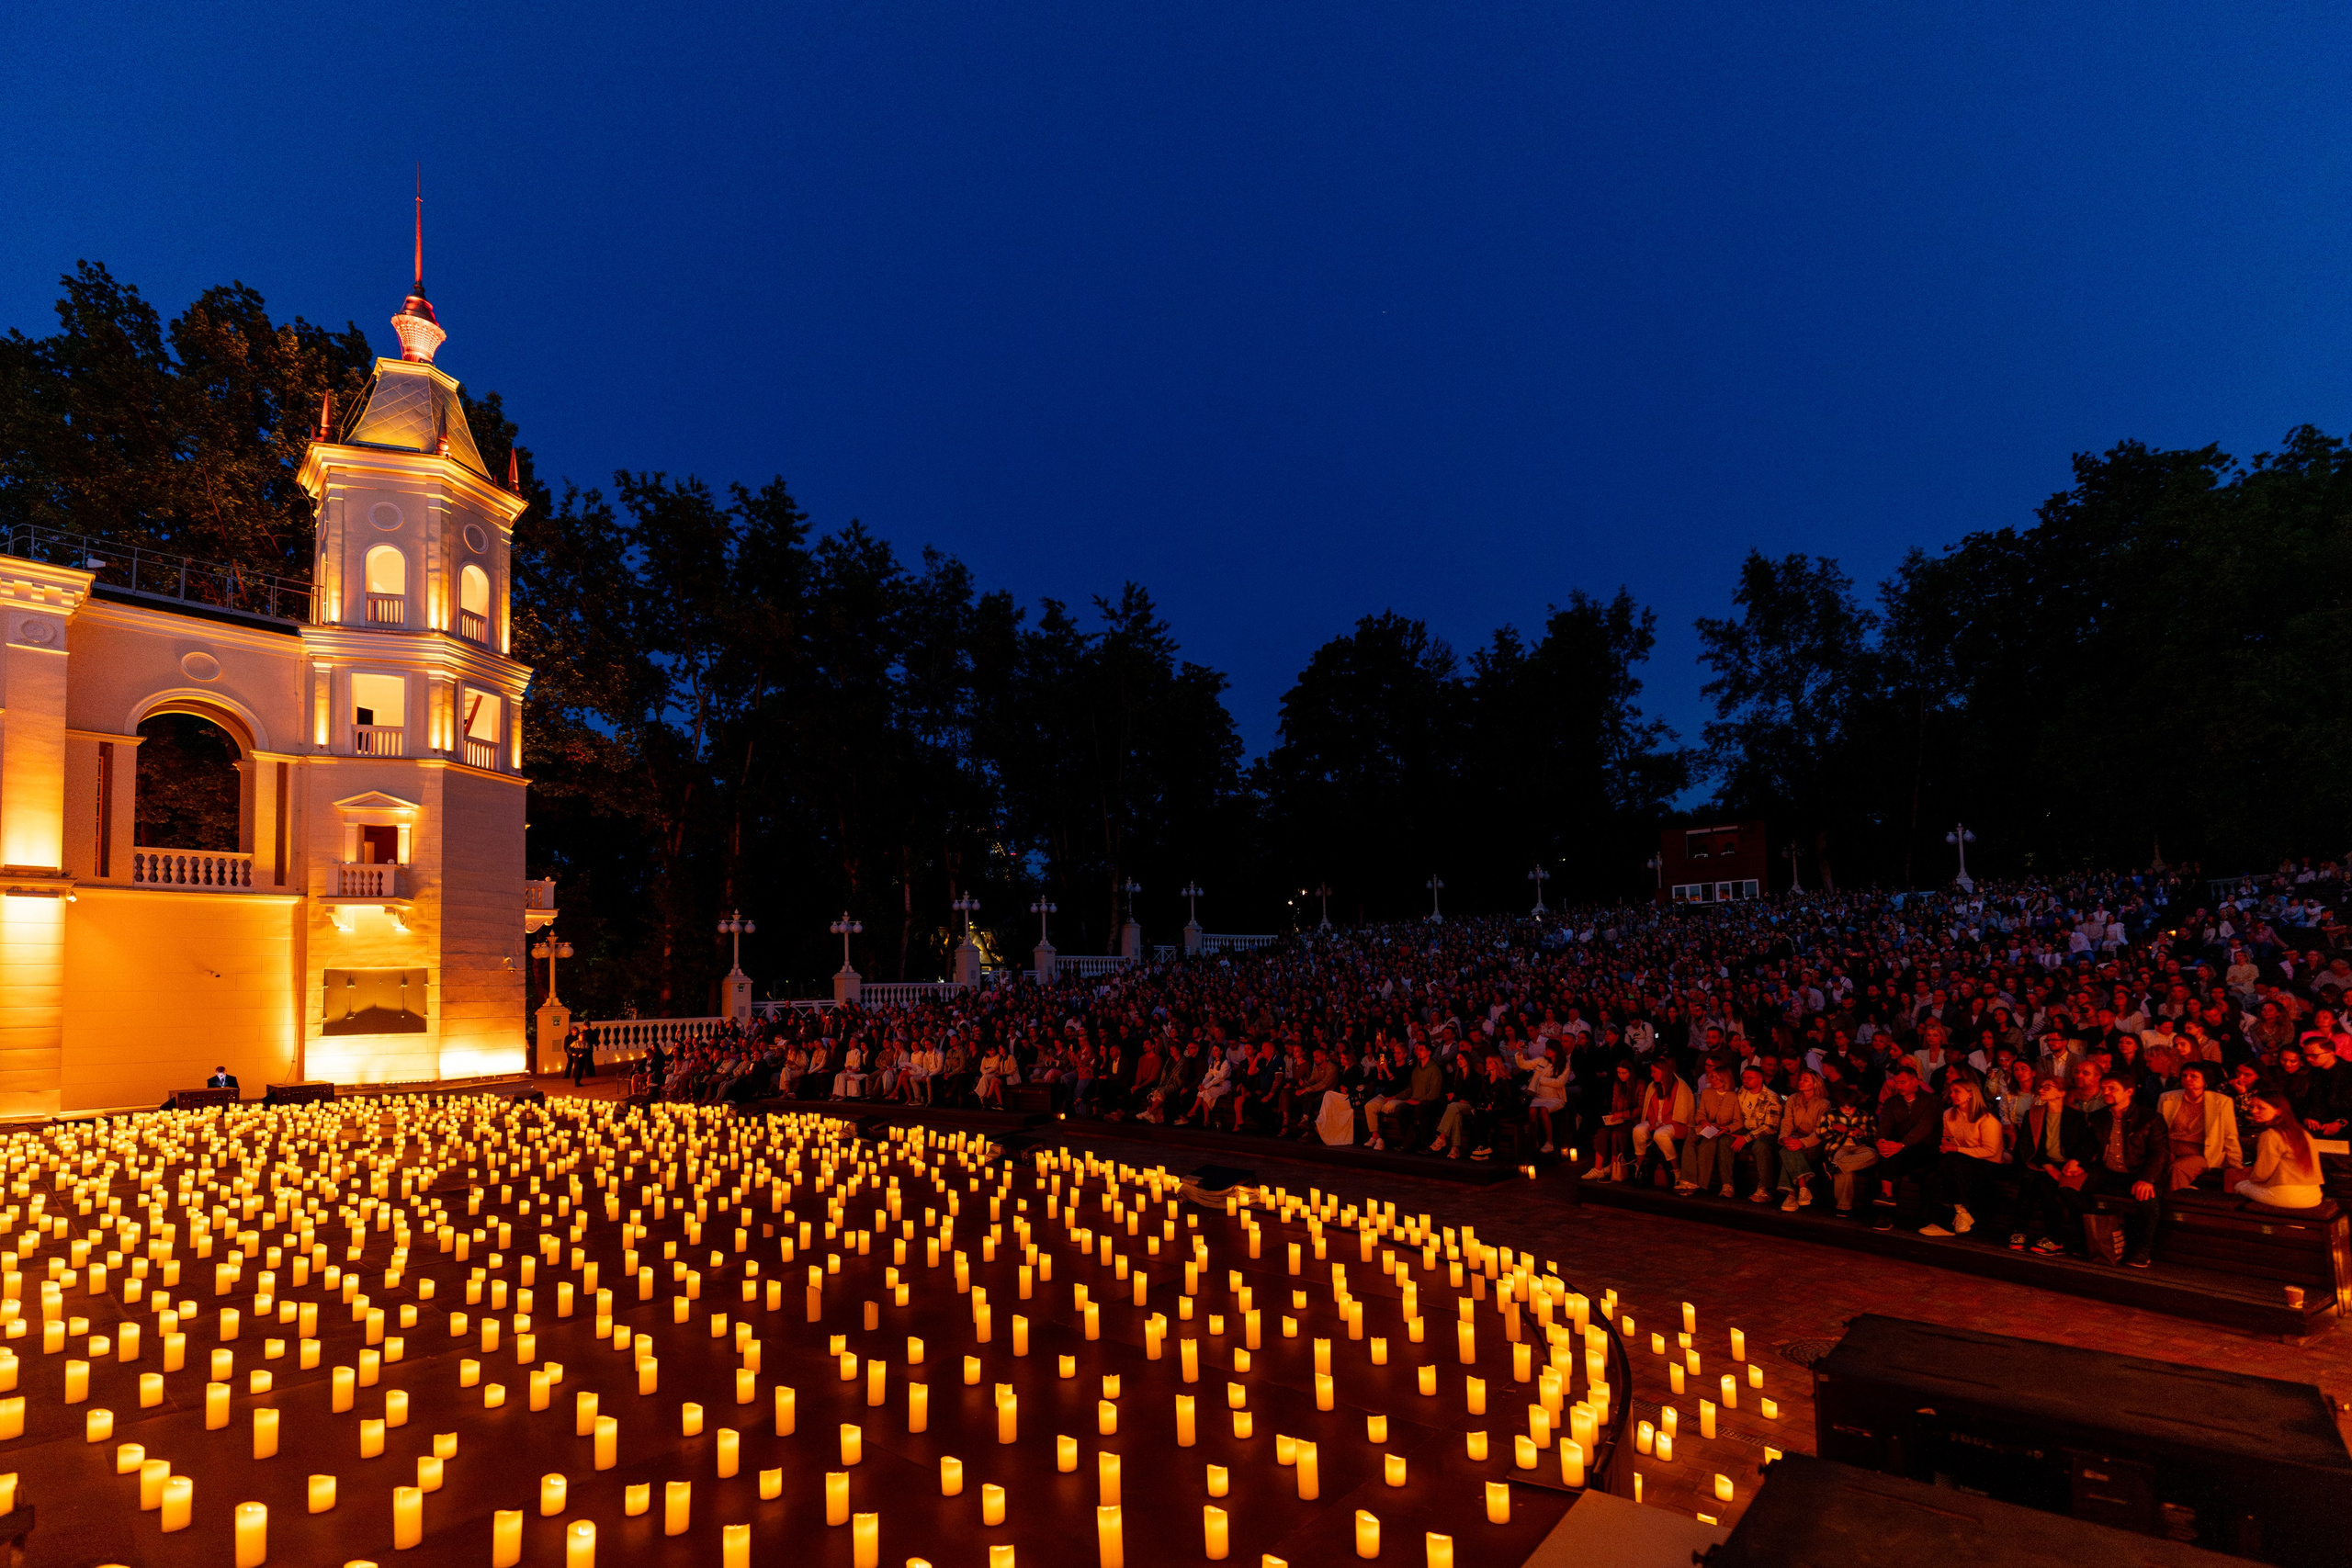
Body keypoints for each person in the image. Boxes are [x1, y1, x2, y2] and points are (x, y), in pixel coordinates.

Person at [2066, 1072, 2167, 1268]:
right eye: (2103, 1088)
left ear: (2128, 1092)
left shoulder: (2150, 1118)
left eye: (2112, 1088)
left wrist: (2147, 1179)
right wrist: (2076, 1161)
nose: (2106, 1092)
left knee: (2148, 1199)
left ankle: (2142, 1249)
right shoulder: (2099, 1117)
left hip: (2139, 1172)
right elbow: (2089, 1145)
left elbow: (2159, 1152)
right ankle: (2095, 1236)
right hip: (2108, 1171)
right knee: (2068, 1188)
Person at [2010, 1074, 2091, 1255]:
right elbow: (2027, 1145)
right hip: (2039, 1163)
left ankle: (2053, 1238)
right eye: (2041, 1087)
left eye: (2047, 1087)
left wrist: (2074, 1162)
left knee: (2047, 1188)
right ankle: (2019, 1231)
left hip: (2066, 1165)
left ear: (2061, 1093)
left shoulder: (2076, 1116)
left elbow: (2085, 1144)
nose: (2041, 1090)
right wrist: (2048, 1166)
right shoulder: (2033, 1114)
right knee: (2029, 1183)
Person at [1919, 1078, 2005, 1237]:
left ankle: (1945, 1222)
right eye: (1951, 1091)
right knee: (1944, 1168)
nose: (1952, 1095)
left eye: (1957, 1091)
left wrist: (1957, 1149)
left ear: (1970, 1094)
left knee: (1950, 1166)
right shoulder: (1949, 1114)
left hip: (1986, 1163)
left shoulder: (1987, 1119)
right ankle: (1960, 1213)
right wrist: (1947, 1147)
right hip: (1958, 1161)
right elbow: (1948, 1139)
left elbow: (1991, 1151)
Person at [1866, 1063, 1940, 1229]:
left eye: (1902, 1082)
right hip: (1898, 1149)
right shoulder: (1892, 1102)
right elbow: (1884, 1127)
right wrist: (1881, 1142)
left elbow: (1924, 1129)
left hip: (1924, 1148)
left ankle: (1885, 1208)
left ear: (1915, 1081)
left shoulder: (1932, 1101)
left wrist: (1900, 1145)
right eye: (1897, 1083)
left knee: (1890, 1159)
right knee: (1888, 1157)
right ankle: (1887, 1198)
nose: (1898, 1086)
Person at [2155, 1062, 2242, 1191]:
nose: (2188, 1079)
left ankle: (2178, 1200)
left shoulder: (2221, 1102)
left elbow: (2229, 1135)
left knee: (2179, 1168)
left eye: (2193, 1076)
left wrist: (2235, 1164)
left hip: (2201, 1153)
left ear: (2205, 1080)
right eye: (2184, 1076)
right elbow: (2158, 1129)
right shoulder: (2167, 1098)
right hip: (2170, 1149)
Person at [2234, 1092, 2324, 1210]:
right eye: (2252, 1107)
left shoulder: (2271, 1135)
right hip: (2314, 1196)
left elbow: (2261, 1175)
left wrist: (2250, 1174)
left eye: (2261, 1108)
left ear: (2278, 1111)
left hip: (2287, 1196)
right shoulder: (2304, 1133)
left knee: (2239, 1185)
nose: (2254, 1111)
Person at [1675, 1060, 1741, 1198]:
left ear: (1725, 1079)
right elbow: (1700, 1112)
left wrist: (1726, 1128)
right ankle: (1688, 1179)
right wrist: (1703, 1121)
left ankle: (1699, 1183)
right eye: (1712, 1077)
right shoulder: (1707, 1093)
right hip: (1706, 1126)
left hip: (1721, 1130)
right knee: (1690, 1139)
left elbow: (1738, 1121)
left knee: (1706, 1146)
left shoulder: (1733, 1096)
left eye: (1717, 1077)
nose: (1713, 1080)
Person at [1774, 1069, 1830, 1210]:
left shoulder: (1824, 1104)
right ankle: (1802, 1188)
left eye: (1805, 1080)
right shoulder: (1793, 1099)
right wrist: (1784, 1137)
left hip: (1813, 1141)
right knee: (1788, 1148)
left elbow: (1820, 1132)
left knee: (1788, 1151)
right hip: (1793, 1136)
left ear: (1815, 1084)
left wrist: (1802, 1142)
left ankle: (1791, 1195)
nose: (1801, 1082)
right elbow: (1787, 1122)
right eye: (1801, 1079)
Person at [1632, 1059, 1694, 1185]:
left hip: (1676, 1123)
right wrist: (1654, 1123)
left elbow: (1683, 1113)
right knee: (1638, 1130)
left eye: (1654, 1072)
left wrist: (1663, 1124)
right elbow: (1649, 1109)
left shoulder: (1680, 1086)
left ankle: (1677, 1171)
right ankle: (1640, 1168)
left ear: (1663, 1071)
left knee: (1660, 1134)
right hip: (1656, 1122)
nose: (1651, 1075)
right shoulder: (1653, 1086)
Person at [1586, 1062, 1639, 1181]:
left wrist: (1623, 1114)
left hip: (1633, 1120)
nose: (1621, 1076)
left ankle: (1613, 1166)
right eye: (1619, 1073)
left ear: (1631, 1072)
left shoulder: (1639, 1085)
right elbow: (1614, 1103)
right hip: (1619, 1119)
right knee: (1602, 1132)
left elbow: (1640, 1108)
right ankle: (1597, 1168)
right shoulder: (1618, 1084)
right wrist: (1614, 1114)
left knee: (1617, 1134)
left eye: (1624, 1073)